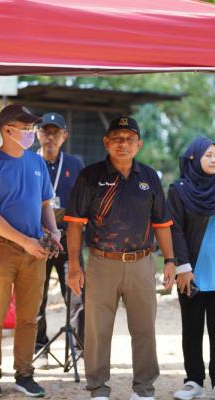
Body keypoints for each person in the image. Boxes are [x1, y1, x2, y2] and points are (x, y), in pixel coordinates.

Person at [65, 116, 176, 400]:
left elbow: (162, 224)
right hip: (102, 263)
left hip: (142, 263)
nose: (123, 144)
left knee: (144, 330)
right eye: (117, 138)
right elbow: (75, 224)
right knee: (97, 330)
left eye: (129, 139)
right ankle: (98, 389)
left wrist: (171, 261)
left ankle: (144, 389)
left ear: (139, 144)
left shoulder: (149, 177)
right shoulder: (89, 176)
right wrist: (75, 266)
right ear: (107, 142)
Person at [0, 104, 61, 398]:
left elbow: (46, 203)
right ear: (7, 130)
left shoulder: (36, 163)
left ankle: (24, 373)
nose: (32, 133)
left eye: (31, 128)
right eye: (26, 128)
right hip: (1, 248)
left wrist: (54, 232)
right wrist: (25, 242)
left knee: (29, 317)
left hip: (35, 249)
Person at [34, 112, 85, 367]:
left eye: (55, 132)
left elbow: (84, 202)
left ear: (64, 136)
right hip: (37, 240)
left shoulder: (75, 165)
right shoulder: (28, 161)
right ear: (37, 134)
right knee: (36, 296)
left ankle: (78, 347)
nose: (50, 136)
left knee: (76, 294)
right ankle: (40, 347)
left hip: (69, 239)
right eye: (45, 131)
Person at [168, 137, 215, 400]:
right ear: (193, 158)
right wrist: (182, 267)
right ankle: (194, 381)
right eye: (208, 155)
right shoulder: (179, 190)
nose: (213, 159)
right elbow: (174, 230)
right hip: (192, 272)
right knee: (192, 329)